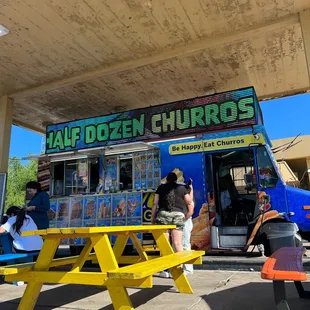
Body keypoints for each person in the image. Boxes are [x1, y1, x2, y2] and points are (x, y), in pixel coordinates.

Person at [151, 172, 194, 277]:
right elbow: (190, 202)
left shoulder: (161, 188)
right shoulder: (182, 188)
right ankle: (179, 269)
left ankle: (165, 270)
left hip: (163, 215)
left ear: (166, 180)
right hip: (178, 215)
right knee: (177, 243)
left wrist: (153, 218)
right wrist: (187, 215)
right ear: (176, 180)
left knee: (164, 244)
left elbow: (154, 203)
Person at [183, 179, 194, 275]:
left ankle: (188, 268)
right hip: (188, 223)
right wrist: (190, 186)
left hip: (185, 224)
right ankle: (187, 267)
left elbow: (190, 212)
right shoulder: (190, 199)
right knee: (185, 245)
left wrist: (183, 220)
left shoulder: (188, 202)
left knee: (185, 245)